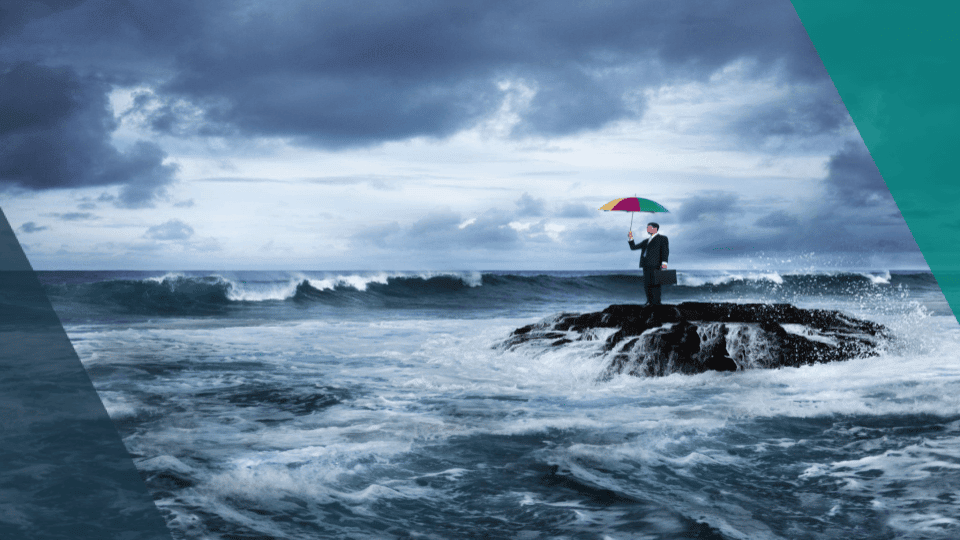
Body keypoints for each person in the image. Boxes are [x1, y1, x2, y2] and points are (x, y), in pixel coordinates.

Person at [628, 222, 669, 306]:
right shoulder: (646, 241)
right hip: (645, 265)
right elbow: (633, 247)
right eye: (647, 227)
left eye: (649, 227)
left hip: (656, 264)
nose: (647, 229)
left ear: (655, 228)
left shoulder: (662, 238)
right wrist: (631, 238)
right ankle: (649, 301)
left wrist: (664, 264)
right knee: (647, 284)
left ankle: (657, 302)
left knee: (656, 284)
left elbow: (665, 251)